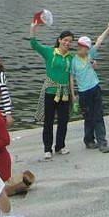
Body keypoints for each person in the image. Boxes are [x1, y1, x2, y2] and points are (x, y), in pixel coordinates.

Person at [29, 22, 75, 159]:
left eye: (70, 41)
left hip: (65, 93)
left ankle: (60, 146)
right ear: (59, 40)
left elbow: (71, 76)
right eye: (65, 40)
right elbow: (34, 44)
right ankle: (47, 148)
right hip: (50, 91)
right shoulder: (49, 52)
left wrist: (73, 94)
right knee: (48, 121)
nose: (67, 43)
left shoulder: (71, 57)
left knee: (63, 120)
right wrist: (33, 28)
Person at [71, 25, 109, 153]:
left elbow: (100, 40)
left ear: (87, 48)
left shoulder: (90, 55)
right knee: (88, 117)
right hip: (83, 92)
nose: (80, 48)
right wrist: (73, 95)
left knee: (98, 116)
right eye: (79, 45)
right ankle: (89, 140)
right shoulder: (73, 60)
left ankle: (102, 142)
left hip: (95, 88)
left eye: (83, 46)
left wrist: (108, 29)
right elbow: (71, 77)